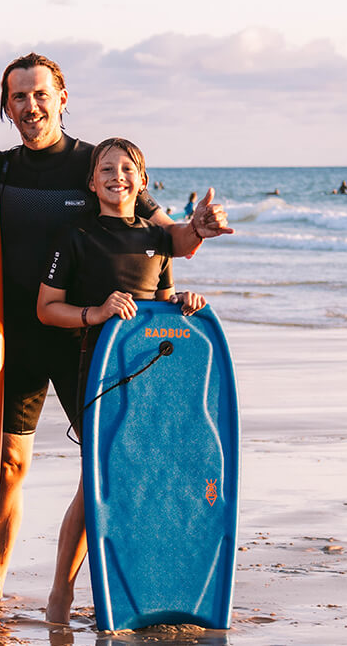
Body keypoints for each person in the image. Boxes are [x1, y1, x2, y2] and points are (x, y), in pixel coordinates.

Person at [0, 52, 232, 604]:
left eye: (41, 94)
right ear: (6, 106)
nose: (30, 106)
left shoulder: (94, 162)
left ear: (62, 97)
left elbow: (166, 237)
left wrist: (196, 228)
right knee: (7, 467)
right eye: (18, 96)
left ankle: (71, 590)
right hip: (18, 334)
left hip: (90, 342)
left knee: (101, 464)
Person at [35, 137, 206, 623]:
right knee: (99, 479)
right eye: (106, 169)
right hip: (90, 371)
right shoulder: (74, 236)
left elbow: (163, 309)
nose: (117, 176)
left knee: (137, 478)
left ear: (143, 181)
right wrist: (98, 311)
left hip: (149, 375)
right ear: (91, 182)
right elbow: (47, 309)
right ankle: (62, 596)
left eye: (127, 168)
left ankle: (134, 586)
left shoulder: (158, 241)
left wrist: (184, 304)